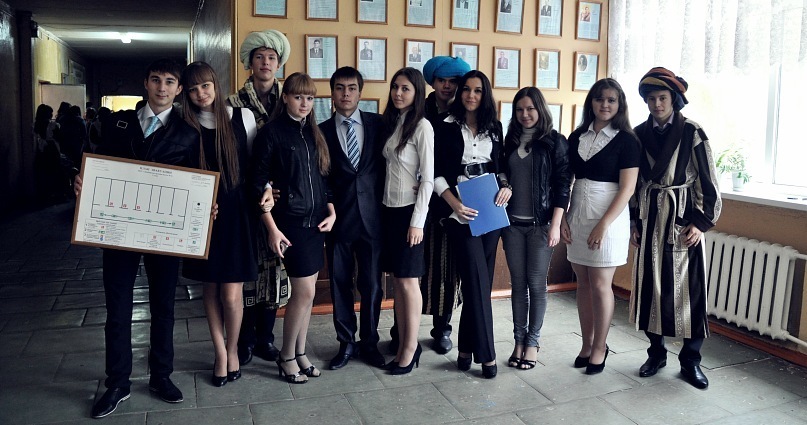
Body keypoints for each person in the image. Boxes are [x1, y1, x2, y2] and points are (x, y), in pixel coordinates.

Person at [77, 59, 200, 419]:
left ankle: (161, 376)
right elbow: (98, 164)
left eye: (170, 82)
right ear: (145, 83)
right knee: (117, 308)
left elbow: (197, 180)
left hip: (164, 236)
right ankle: (117, 382)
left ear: (179, 90)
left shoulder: (188, 133)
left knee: (164, 307)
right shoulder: (119, 123)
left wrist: (203, 205)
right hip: (120, 231)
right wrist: (83, 181)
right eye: (156, 80)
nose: (162, 87)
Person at [630, 67, 721, 389]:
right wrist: (635, 221)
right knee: (651, 290)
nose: (657, 104)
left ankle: (690, 361)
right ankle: (656, 354)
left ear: (674, 99)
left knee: (689, 293)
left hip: (683, 222)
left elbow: (709, 180)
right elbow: (634, 182)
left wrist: (701, 223)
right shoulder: (638, 134)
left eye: (662, 98)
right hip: (650, 220)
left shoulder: (692, 132)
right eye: (651, 99)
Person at [252, 72, 336, 384]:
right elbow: (257, 183)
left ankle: (300, 353)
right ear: (285, 97)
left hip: (316, 224)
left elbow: (323, 178)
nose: (304, 103)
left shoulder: (314, 132)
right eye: (298, 96)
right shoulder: (271, 132)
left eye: (310, 98)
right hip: (290, 224)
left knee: (308, 295)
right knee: (304, 293)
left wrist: (332, 210)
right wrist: (271, 228)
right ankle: (286, 356)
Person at [179, 61, 259, 388]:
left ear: (215, 84)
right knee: (209, 287)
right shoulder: (184, 124)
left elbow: (256, 167)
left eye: (205, 86)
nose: (200, 94)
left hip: (238, 213)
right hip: (203, 214)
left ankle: (233, 348)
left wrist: (267, 193)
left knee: (231, 292)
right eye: (193, 89)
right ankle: (220, 353)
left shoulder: (242, 117)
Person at [560, 78, 640, 375]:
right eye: (599, 99)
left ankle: (600, 347)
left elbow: (627, 189)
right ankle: (586, 343)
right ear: (591, 102)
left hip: (609, 219)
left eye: (611, 100)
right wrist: (563, 217)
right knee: (582, 283)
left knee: (600, 284)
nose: (605, 105)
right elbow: (566, 180)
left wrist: (603, 225)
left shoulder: (627, 140)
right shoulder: (577, 136)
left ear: (619, 105)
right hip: (578, 215)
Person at [392, 56, 471, 356]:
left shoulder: (465, 114)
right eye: (441, 80)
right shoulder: (419, 111)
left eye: (453, 81)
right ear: (432, 82)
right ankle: (402, 330)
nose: (447, 86)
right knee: (410, 269)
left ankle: (442, 328)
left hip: (450, 202)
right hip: (416, 202)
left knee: (446, 270)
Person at [433, 70, 509, 379]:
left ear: (485, 94)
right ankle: (487, 356)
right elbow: (435, 173)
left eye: (478, 90)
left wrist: (507, 187)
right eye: (466, 89)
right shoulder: (444, 125)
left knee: (480, 282)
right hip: (459, 210)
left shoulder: (495, 127)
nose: (471, 95)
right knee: (477, 280)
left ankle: (465, 349)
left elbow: (501, 168)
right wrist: (454, 204)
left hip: (491, 207)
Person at [228, 29, 291, 366]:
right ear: (249, 63)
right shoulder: (232, 104)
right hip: (247, 195)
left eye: (271, 57)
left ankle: (266, 337)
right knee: (248, 267)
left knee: (276, 267)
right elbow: (232, 154)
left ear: (278, 64)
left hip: (283, 199)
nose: (265, 62)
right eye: (259, 57)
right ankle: (245, 339)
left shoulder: (290, 100)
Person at [319, 67, 387, 370]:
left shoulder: (379, 124)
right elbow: (320, 176)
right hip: (339, 220)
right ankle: (346, 342)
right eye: (339, 88)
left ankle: (369, 342)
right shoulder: (320, 131)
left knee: (372, 285)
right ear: (332, 93)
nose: (345, 94)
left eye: (351, 88)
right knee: (340, 283)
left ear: (360, 92)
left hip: (374, 219)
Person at [501, 87, 571, 370]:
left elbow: (563, 185)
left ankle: (533, 342)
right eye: (519, 109)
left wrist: (556, 224)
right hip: (512, 226)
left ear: (540, 109)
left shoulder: (555, 142)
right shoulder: (509, 140)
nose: (525, 114)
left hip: (541, 226)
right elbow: (500, 174)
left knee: (537, 285)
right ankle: (518, 341)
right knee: (518, 285)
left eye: (530, 108)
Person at [381, 67, 435, 375]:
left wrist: (418, 222)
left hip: (409, 213)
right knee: (398, 282)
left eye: (405, 89)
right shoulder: (395, 122)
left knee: (408, 281)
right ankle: (402, 342)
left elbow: (427, 179)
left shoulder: (422, 126)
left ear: (417, 93)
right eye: (395, 87)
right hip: (390, 211)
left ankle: (411, 349)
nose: (398, 93)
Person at [33, 103, 64, 203]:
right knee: (54, 172)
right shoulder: (53, 125)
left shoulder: (35, 125)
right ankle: (53, 195)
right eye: (51, 113)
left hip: (41, 151)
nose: (52, 114)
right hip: (52, 149)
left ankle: (44, 195)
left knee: (43, 172)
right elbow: (59, 138)